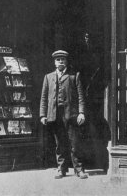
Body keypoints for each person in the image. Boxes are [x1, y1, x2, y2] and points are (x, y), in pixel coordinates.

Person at [40, 50, 88, 179]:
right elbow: (44, 98)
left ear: (66, 61)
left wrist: (81, 113)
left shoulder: (74, 76)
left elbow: (81, 97)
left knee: (75, 143)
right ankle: (61, 169)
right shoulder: (48, 77)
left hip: (71, 116)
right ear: (54, 62)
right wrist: (43, 115)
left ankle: (79, 169)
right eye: (58, 60)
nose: (60, 61)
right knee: (59, 144)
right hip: (55, 116)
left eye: (63, 59)